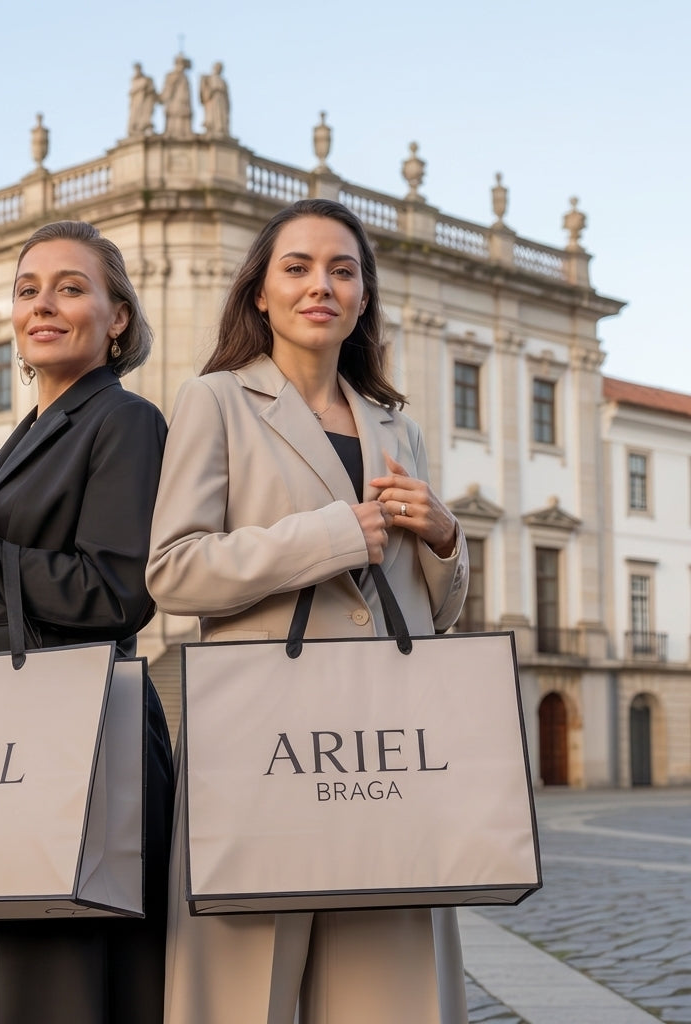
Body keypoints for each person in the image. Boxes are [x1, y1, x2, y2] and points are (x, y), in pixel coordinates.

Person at [145, 197, 470, 1024]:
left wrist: (444, 538)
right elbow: (173, 573)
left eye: (342, 270)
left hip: (388, 748)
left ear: (363, 297)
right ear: (260, 292)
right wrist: (325, 536)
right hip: (261, 744)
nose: (320, 285)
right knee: (237, 996)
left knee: (390, 997)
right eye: (297, 267)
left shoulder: (398, 427)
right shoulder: (215, 400)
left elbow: (434, 615)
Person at [0, 220, 173, 1024]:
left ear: (118, 319)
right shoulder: (30, 432)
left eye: (70, 287)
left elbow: (116, 595)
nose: (42, 304)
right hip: (6, 734)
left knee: (55, 980)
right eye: (28, 290)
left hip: (79, 736)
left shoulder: (126, 420)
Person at [160, 55, 193, 137]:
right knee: (175, 114)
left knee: (182, 114)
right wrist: (164, 97)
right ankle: (172, 132)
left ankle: (184, 132)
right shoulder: (172, 75)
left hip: (183, 100)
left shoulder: (184, 77)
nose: (182, 67)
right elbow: (168, 89)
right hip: (175, 101)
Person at [198, 62, 230, 137]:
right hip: (213, 99)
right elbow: (204, 93)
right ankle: (212, 127)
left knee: (221, 115)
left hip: (221, 100)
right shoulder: (209, 78)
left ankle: (221, 128)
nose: (218, 69)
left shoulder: (223, 81)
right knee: (213, 115)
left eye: (220, 68)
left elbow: (226, 95)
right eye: (217, 67)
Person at [128, 61, 158, 136]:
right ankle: (136, 129)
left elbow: (152, 91)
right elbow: (132, 92)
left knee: (145, 116)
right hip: (137, 103)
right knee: (136, 116)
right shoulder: (134, 80)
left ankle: (145, 128)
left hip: (145, 102)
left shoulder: (147, 79)